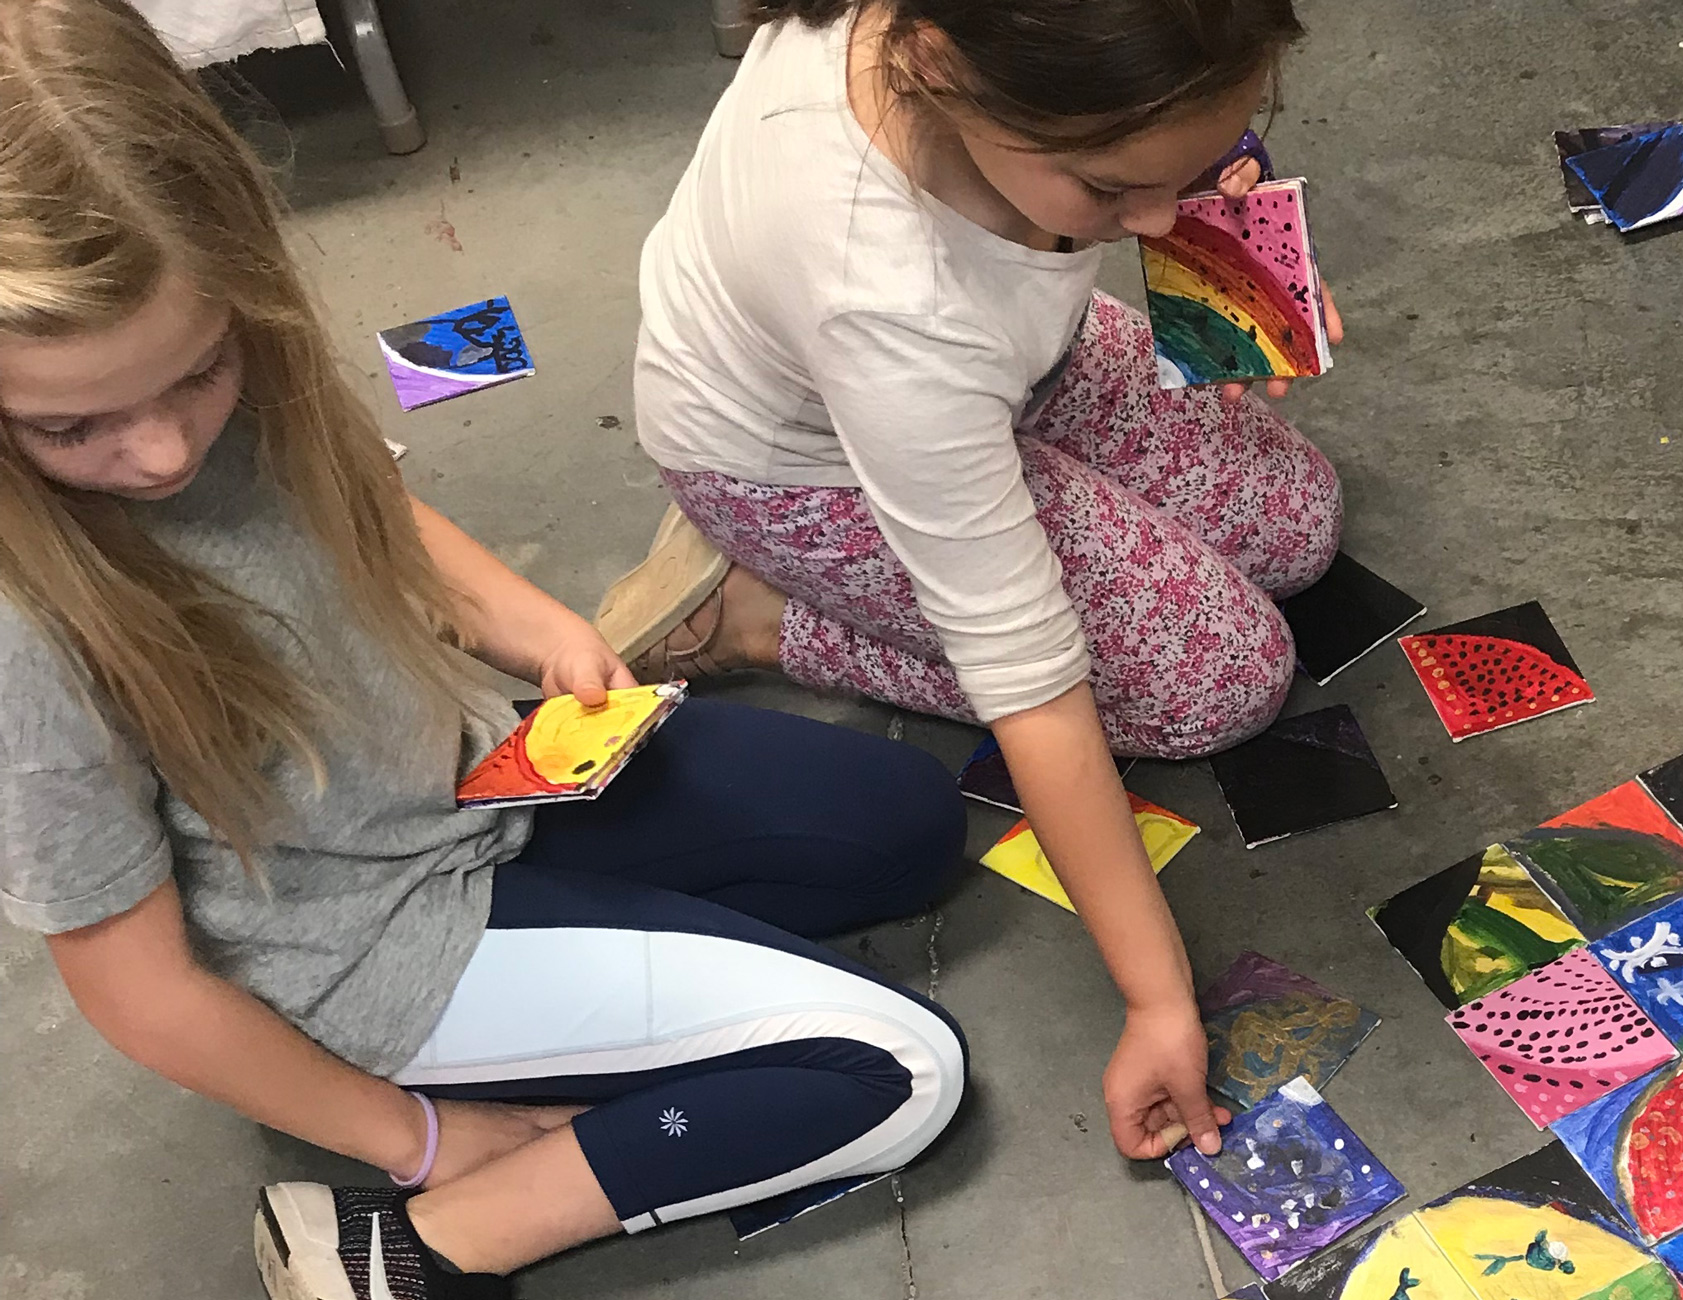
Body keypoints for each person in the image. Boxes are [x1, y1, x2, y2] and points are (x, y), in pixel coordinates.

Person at [0, 4, 969, 1297]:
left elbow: (363, 508)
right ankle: (403, 1256)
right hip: (374, 948)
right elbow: (143, 995)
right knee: (901, 1068)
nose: (167, 453)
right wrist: (426, 1142)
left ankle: (615, 1014)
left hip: (476, 781)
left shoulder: (240, 338)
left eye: (198, 373)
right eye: (76, 431)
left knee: (911, 825)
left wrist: (533, 624)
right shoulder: (25, 637)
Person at [595, 0, 1340, 1161]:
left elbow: (1166, 139)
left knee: (1298, 524)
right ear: (945, 73)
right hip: (804, 468)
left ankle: (1016, 452)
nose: (1153, 220)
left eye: (1177, 171)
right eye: (1110, 190)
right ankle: (746, 615)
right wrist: (1154, 997)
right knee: (1221, 682)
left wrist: (1222, 213)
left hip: (992, 368)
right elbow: (1025, 670)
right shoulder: (878, 289)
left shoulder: (999, 68)